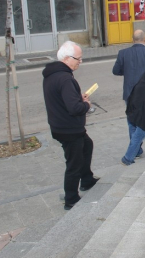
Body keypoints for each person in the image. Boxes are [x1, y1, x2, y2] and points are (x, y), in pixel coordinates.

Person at [42, 41, 99, 210]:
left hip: (60, 125)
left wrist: (76, 97)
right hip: (69, 128)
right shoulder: (65, 78)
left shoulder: (52, 74)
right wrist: (87, 105)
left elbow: (62, 99)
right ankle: (71, 198)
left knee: (87, 145)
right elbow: (74, 108)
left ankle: (87, 179)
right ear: (67, 58)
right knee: (74, 163)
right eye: (78, 59)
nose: (80, 62)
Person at [112, 30, 145, 157]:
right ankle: (136, 148)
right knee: (143, 120)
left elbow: (116, 71)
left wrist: (128, 72)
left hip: (129, 92)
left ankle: (136, 148)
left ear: (132, 39)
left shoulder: (123, 53)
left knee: (131, 121)